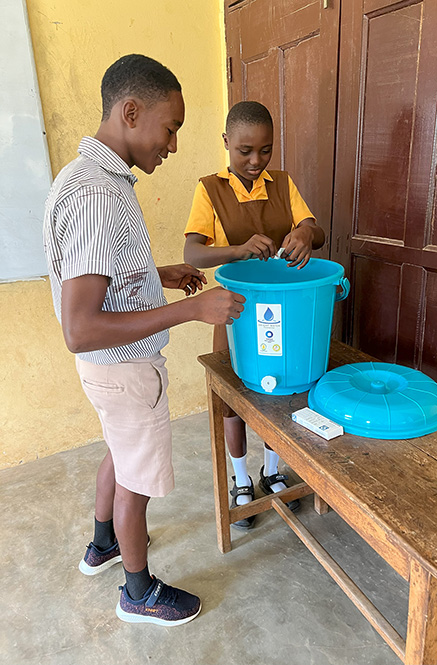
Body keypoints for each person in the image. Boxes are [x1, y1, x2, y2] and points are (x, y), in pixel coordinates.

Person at [43, 54, 245, 627]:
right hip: (124, 371)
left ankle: (103, 543)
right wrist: (192, 310)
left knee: (119, 451)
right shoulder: (96, 195)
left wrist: (158, 275)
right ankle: (138, 591)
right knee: (137, 480)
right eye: (171, 126)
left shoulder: (93, 177)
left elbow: (104, 272)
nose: (174, 144)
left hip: (112, 377)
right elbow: (79, 329)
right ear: (131, 112)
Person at [184, 101, 325, 528]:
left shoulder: (281, 183)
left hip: (283, 310)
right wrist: (237, 250)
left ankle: (272, 470)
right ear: (226, 143)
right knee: (233, 400)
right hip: (234, 314)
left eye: (265, 150)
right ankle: (241, 477)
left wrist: (304, 232)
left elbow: (315, 229)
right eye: (245, 150)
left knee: (279, 391)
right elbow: (193, 252)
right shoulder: (210, 189)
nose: (255, 161)